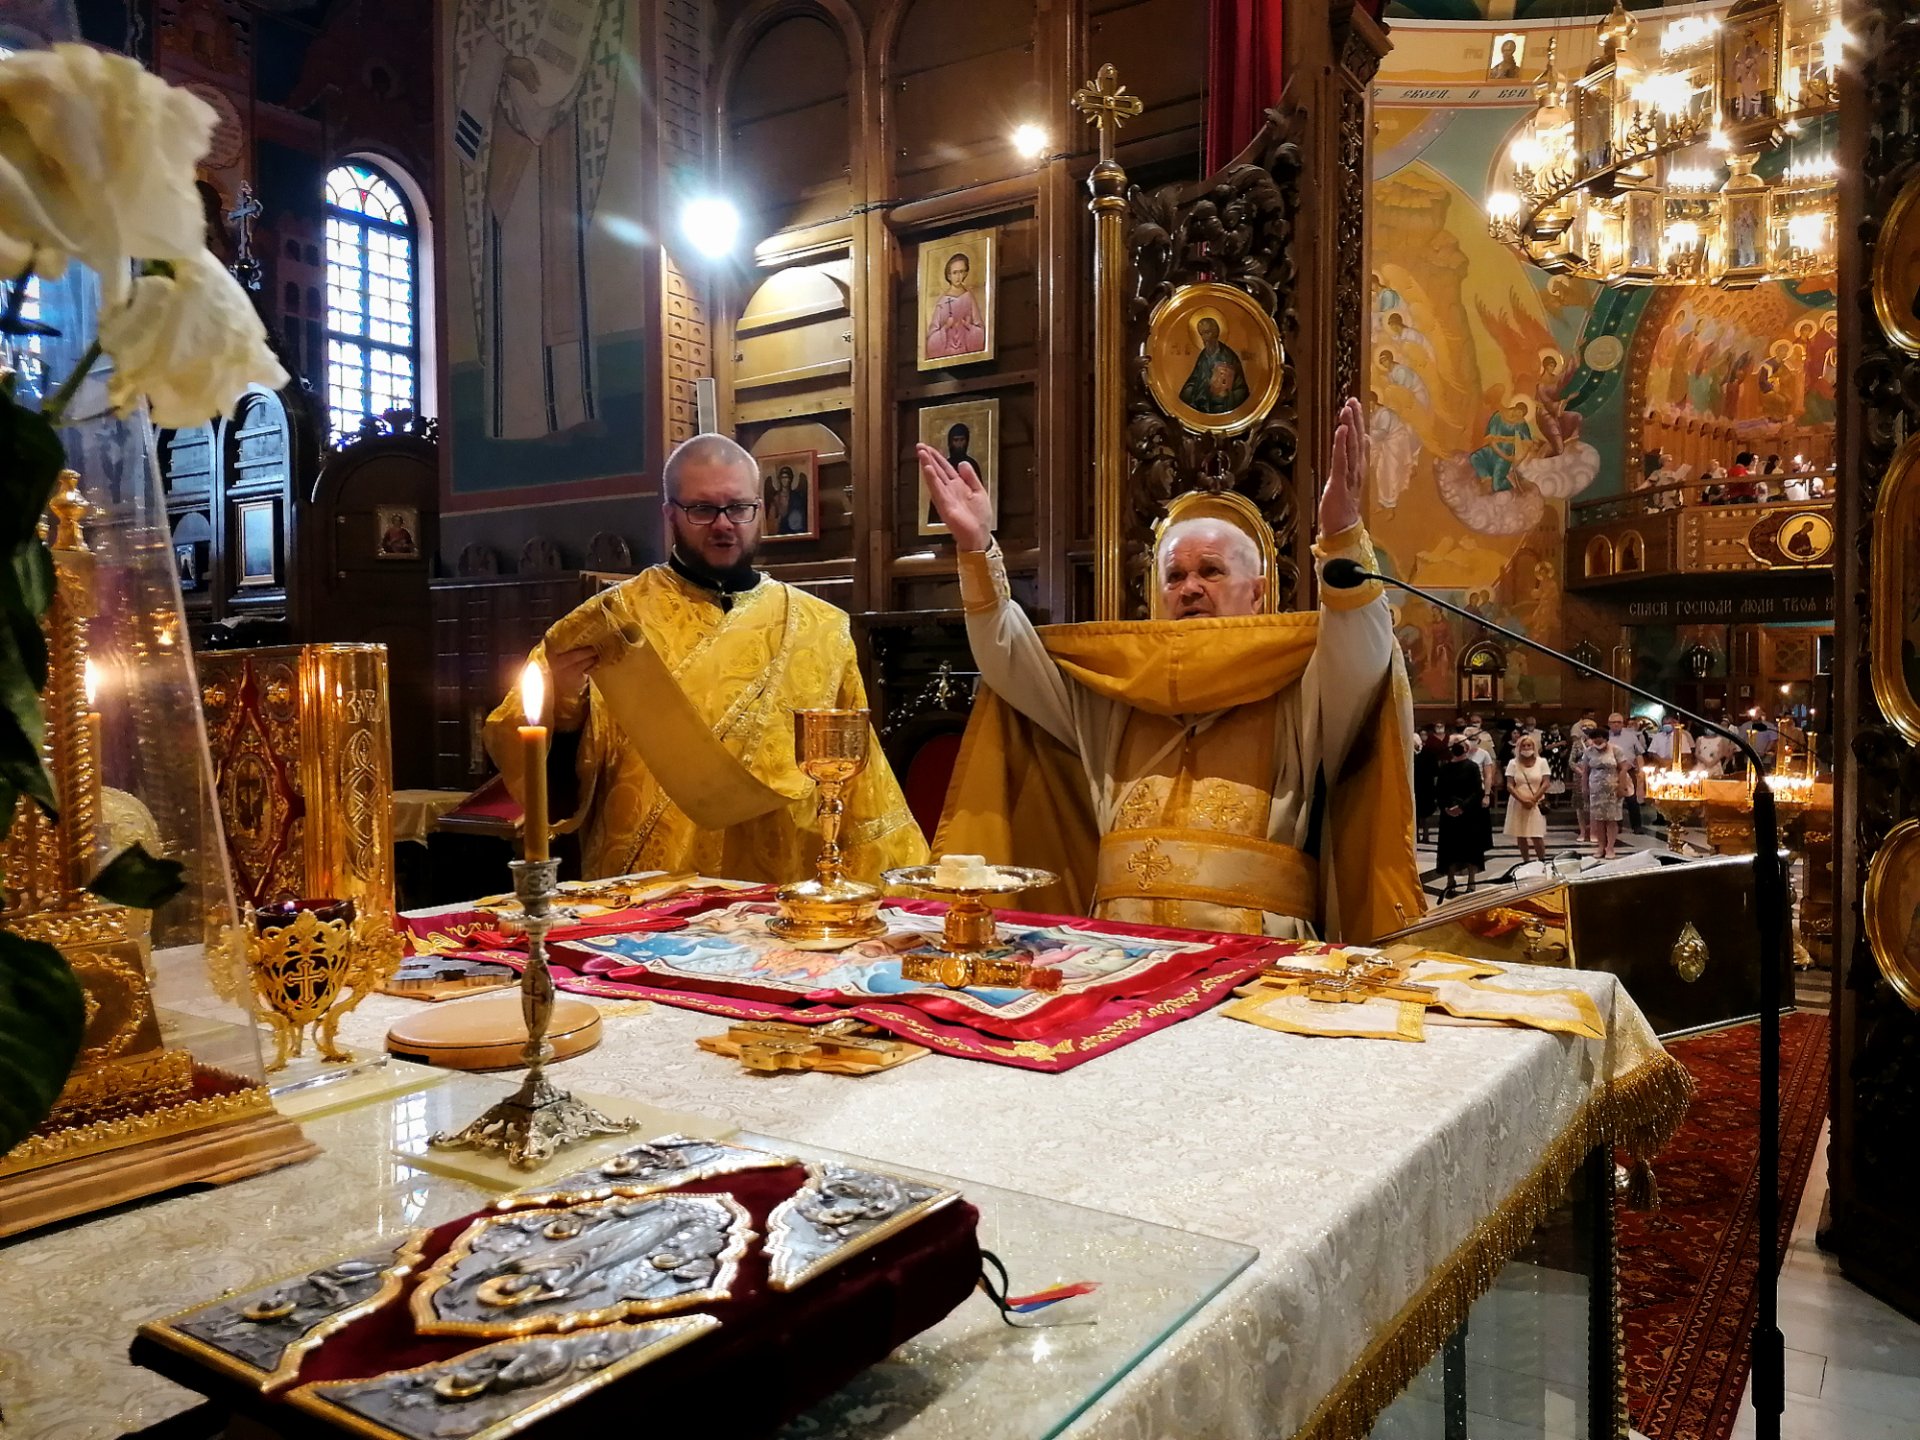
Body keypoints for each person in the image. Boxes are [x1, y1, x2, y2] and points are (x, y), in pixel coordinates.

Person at [919, 396, 1422, 940]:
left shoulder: (1301, 681)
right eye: (1175, 576)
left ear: (1257, 594)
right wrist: (976, 550)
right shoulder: (1113, 688)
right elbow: (1008, 660)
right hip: (1117, 949)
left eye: (1210, 570)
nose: (1190, 588)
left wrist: (1343, 535)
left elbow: (1363, 652)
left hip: (1258, 947)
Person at [485, 434, 928, 882]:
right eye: (702, 509)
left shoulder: (821, 627)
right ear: (669, 516)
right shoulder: (608, 623)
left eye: (738, 508)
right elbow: (536, 769)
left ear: (761, 511)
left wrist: (898, 896)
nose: (723, 524)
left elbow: (857, 777)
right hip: (647, 897)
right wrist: (561, 712)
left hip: (781, 888)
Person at [1436, 737, 1488, 897]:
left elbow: (1476, 791)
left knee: (1471, 847)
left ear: (1466, 748)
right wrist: (1446, 807)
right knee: (1449, 848)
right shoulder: (1444, 768)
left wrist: (1462, 806)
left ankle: (1471, 881)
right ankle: (1450, 880)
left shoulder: (1472, 767)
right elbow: (1439, 791)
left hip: (1469, 813)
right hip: (1449, 813)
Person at [1178, 315, 1251, 415]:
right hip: (1202, 403)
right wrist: (1188, 390)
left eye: (1207, 333)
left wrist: (1225, 396)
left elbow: (1241, 389)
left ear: (1216, 333)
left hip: (1220, 406)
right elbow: (1195, 379)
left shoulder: (1229, 357)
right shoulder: (1203, 356)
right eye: (1202, 334)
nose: (1205, 338)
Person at [1575, 724, 1627, 860]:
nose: (1597, 744)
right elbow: (1585, 771)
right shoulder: (1588, 752)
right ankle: (1600, 846)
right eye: (1594, 741)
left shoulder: (1616, 750)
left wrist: (1622, 786)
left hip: (1612, 789)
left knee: (1611, 819)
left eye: (1600, 741)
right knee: (1598, 819)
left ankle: (1610, 847)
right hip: (1595, 789)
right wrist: (1584, 788)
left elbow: (1623, 769)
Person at [924, 251, 987, 360]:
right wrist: (946, 327)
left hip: (967, 352)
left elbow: (981, 331)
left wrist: (969, 326)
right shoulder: (942, 302)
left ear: (966, 273)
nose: (958, 276)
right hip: (946, 352)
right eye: (955, 273)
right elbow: (931, 341)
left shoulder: (969, 298)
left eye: (961, 272)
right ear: (948, 275)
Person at [1504, 731, 1552, 865]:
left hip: (1536, 802)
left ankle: (1542, 861)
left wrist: (1533, 799)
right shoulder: (1513, 763)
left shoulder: (1542, 762)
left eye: (1529, 745)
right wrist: (1522, 800)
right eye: (1523, 746)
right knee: (1521, 834)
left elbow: (1546, 782)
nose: (1526, 748)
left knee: (1537, 834)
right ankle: (1526, 862)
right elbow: (1509, 785)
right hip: (1518, 801)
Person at [1607, 711, 1646, 833]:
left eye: (1619, 722)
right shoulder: (1605, 736)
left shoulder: (1631, 736)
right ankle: (1616, 826)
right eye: (1614, 722)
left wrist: (1641, 770)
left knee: (1632, 799)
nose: (1617, 725)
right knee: (1613, 800)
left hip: (1629, 771)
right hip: (1611, 771)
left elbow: (1639, 754)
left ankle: (1637, 826)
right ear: (1609, 724)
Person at [1415, 722, 1447, 846]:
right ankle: (1416, 834)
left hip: (1427, 785)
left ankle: (1426, 834)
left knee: (1426, 811)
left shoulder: (1429, 753)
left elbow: (1435, 772)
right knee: (1416, 811)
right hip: (1415, 785)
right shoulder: (1411, 753)